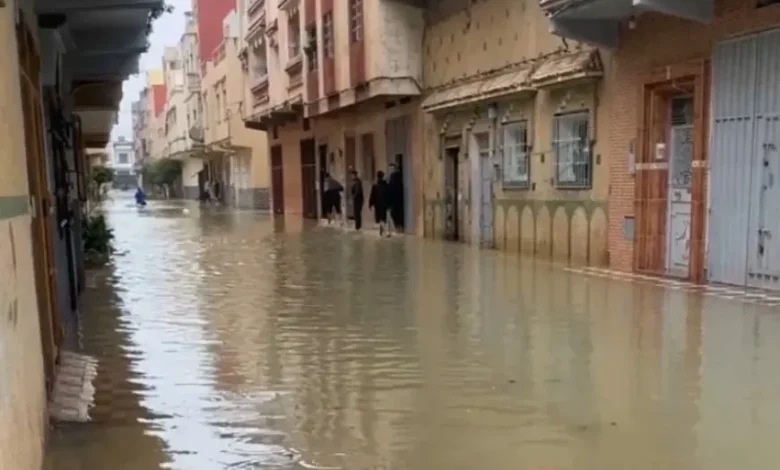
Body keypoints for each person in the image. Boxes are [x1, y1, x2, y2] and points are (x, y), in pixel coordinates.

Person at [369, 171, 390, 237]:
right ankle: (383, 232)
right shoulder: (385, 185)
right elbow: (388, 195)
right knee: (383, 218)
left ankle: (382, 232)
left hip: (378, 205)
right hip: (383, 205)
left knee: (380, 219)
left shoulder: (375, 185)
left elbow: (372, 196)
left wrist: (370, 204)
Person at [388, 163, 404, 234]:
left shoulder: (394, 176)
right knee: (397, 213)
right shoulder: (396, 176)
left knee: (395, 213)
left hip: (395, 198)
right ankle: (399, 228)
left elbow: (390, 187)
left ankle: (398, 228)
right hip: (397, 198)